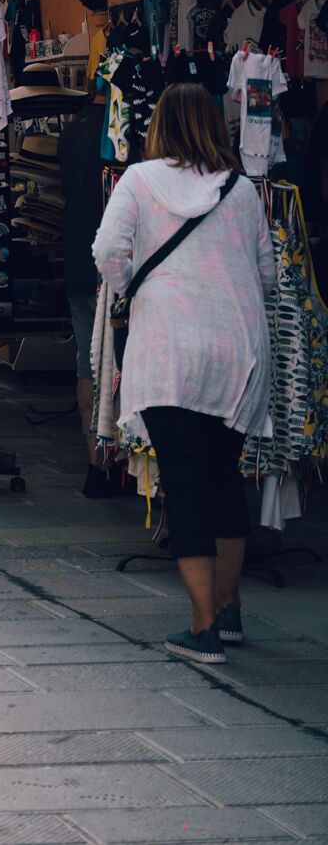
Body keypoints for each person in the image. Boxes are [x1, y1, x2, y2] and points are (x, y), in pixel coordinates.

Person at [94, 84, 273, 665]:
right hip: (238, 350)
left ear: (161, 126)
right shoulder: (241, 190)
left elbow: (106, 253)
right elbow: (266, 274)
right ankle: (229, 609)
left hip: (171, 350)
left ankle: (202, 629)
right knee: (224, 477)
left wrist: (136, 291)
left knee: (187, 484)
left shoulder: (140, 182)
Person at [59, 80, 121, 497]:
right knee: (123, 365)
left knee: (89, 363)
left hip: (79, 262)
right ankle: (124, 464)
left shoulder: (71, 132)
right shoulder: (122, 130)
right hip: (117, 266)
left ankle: (95, 464)